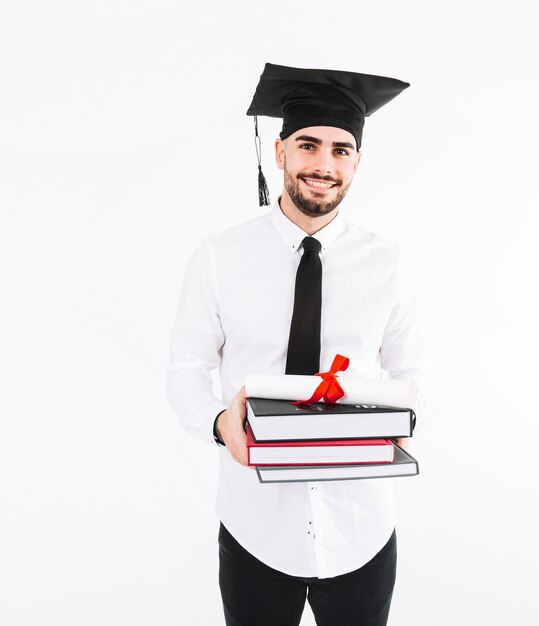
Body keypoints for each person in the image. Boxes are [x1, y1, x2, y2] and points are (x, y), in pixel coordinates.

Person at [166, 62, 431, 626]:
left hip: (359, 525)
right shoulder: (220, 257)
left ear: (357, 162)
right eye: (309, 145)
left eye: (341, 150)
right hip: (255, 524)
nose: (324, 164)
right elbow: (186, 366)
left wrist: (392, 420)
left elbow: (415, 376)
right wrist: (219, 424)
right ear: (280, 151)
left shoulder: (389, 265)